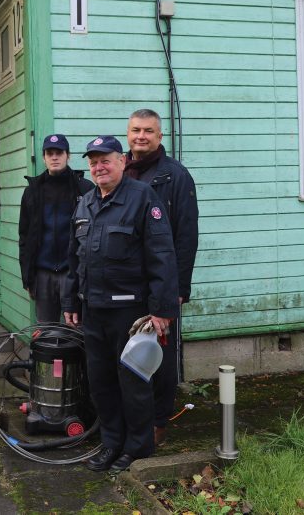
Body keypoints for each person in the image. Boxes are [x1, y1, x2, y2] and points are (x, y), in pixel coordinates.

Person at [65, 135, 179, 472]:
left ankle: (137, 448)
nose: (99, 167)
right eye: (93, 161)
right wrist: (71, 300)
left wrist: (161, 310)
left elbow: (162, 255)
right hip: (94, 311)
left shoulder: (143, 198)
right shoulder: (85, 203)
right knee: (101, 383)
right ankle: (111, 443)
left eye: (106, 160)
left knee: (133, 384)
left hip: (132, 313)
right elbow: (75, 258)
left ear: (122, 162)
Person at [125, 109, 199, 446]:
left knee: (160, 360)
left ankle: (158, 424)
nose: (141, 136)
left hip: (161, 284)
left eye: (148, 131)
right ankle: (130, 420)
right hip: (124, 285)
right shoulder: (118, 169)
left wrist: (179, 288)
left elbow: (186, 237)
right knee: (128, 355)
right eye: (136, 130)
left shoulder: (175, 176)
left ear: (160, 136)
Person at [18, 134, 94, 323]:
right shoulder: (32, 191)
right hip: (43, 273)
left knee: (76, 328)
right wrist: (27, 276)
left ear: (68, 155)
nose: (54, 157)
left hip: (74, 272)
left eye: (59, 152)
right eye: (49, 153)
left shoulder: (84, 188)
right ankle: (47, 354)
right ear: (43, 157)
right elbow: (24, 236)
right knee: (46, 332)